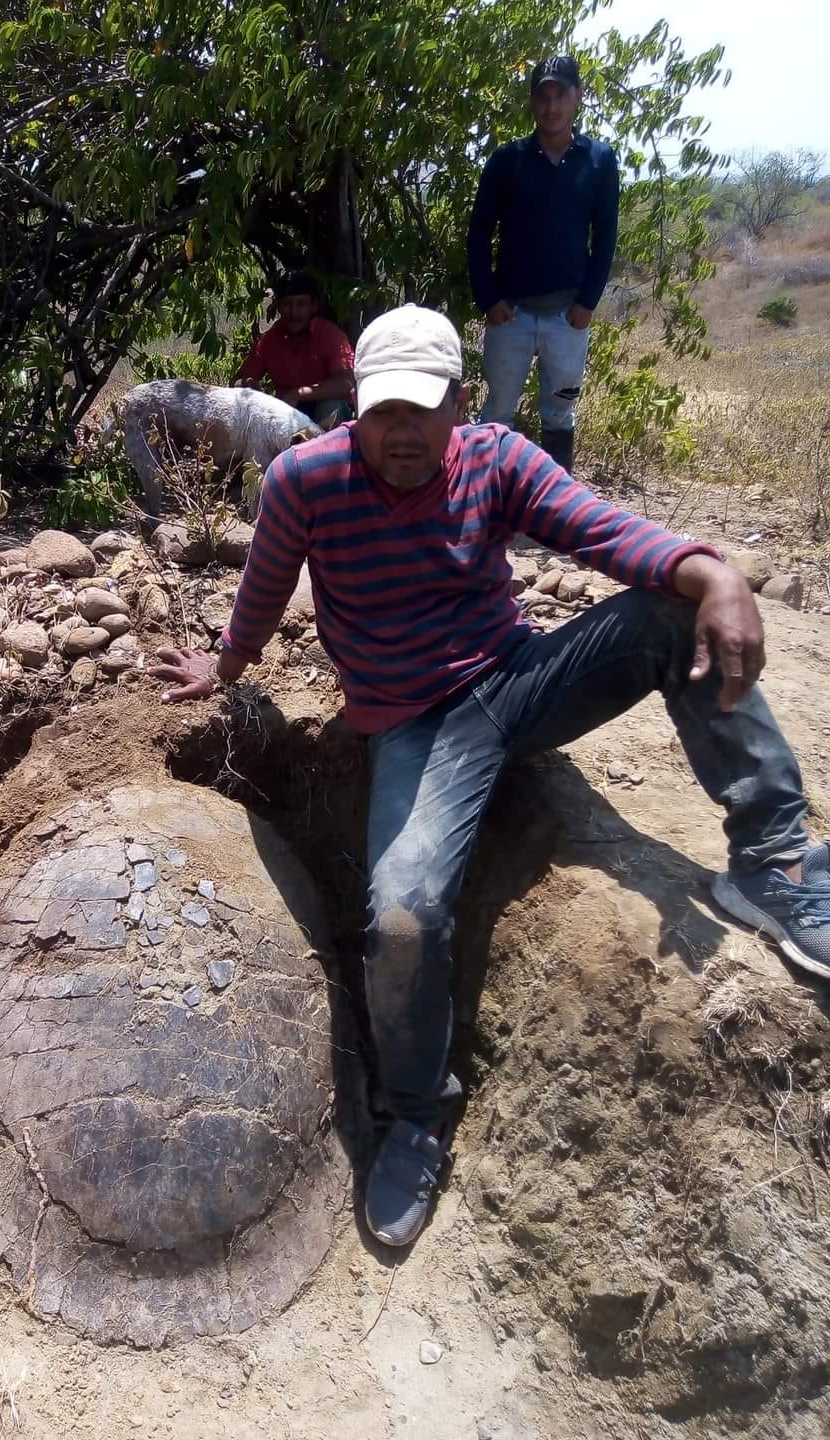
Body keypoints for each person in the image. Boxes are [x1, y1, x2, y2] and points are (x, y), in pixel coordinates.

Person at [152, 304, 829, 1251]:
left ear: (459, 405)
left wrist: (709, 571)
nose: (398, 433)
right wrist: (223, 665)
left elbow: (600, 530)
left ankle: (775, 860)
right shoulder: (304, 480)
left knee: (670, 614)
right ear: (355, 406)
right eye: (379, 410)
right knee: (401, 913)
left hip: (519, 683)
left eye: (420, 412)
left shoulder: (498, 460)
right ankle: (416, 1114)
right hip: (414, 725)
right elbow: (264, 584)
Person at [467, 56, 620, 474]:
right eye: (543, 96)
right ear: (533, 102)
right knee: (497, 411)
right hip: (510, 314)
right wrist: (489, 299)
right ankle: (490, 506)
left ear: (577, 98)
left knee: (560, 414)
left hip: (567, 315)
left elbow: (605, 235)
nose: (551, 106)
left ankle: (556, 513)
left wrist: (587, 302)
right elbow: (478, 232)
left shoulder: (599, 160)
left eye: (560, 95)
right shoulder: (506, 160)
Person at [234, 271, 355, 427]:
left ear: (313, 306)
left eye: (301, 304)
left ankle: (327, 450)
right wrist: (247, 384)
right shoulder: (268, 341)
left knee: (330, 406)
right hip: (287, 412)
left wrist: (298, 394)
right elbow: (238, 381)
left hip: (325, 413)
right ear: (278, 307)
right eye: (287, 304)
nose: (294, 312)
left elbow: (346, 383)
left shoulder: (331, 336)